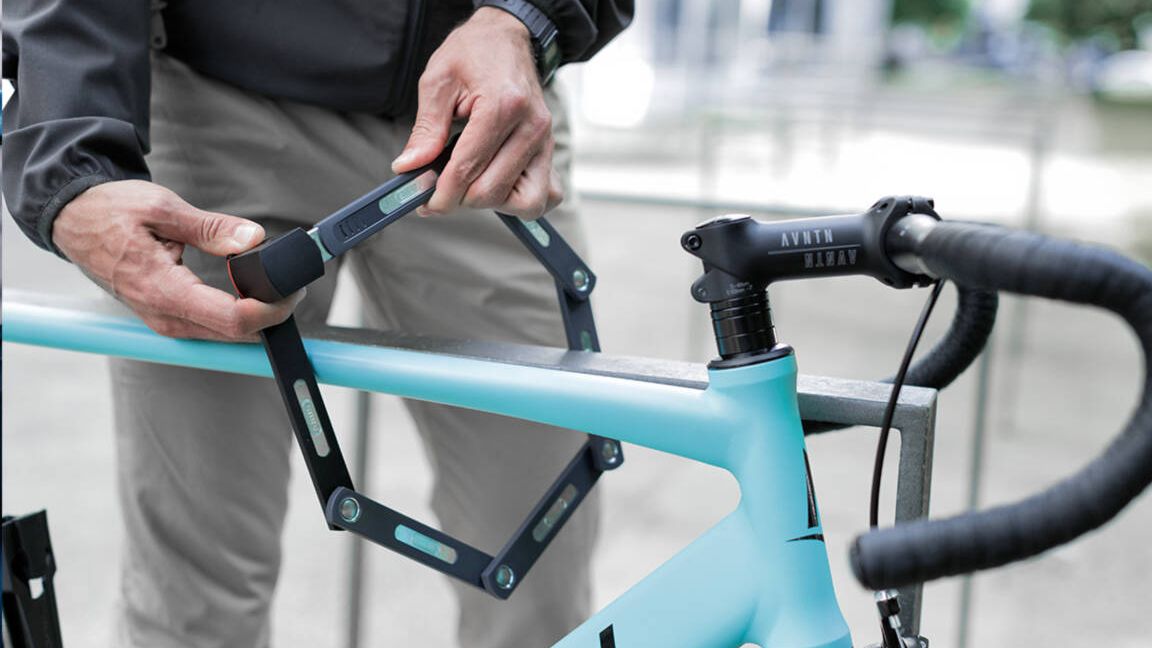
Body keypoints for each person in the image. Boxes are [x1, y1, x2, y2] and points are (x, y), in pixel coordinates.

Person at [2, 1, 632, 646]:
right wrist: (74, 165)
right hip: (218, 104)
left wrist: (522, 18)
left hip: (480, 117)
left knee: (541, 573)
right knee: (195, 597)